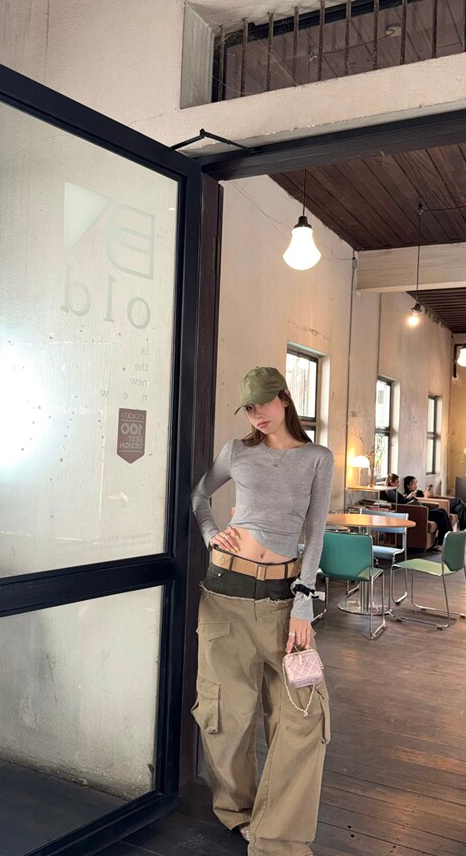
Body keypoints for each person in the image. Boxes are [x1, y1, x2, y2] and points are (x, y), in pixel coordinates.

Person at [191, 365, 333, 856]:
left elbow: (315, 533)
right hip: (224, 596)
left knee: (306, 714)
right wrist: (212, 535)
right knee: (225, 717)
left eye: (263, 404)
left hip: (284, 604)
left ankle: (277, 837)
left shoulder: (317, 458)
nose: (257, 415)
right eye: (249, 408)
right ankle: (240, 814)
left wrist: (303, 605)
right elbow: (199, 496)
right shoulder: (237, 451)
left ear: (285, 398)